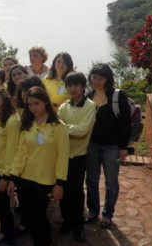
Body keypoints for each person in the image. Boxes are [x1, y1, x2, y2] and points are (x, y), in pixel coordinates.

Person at [7, 86, 69, 246]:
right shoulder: (27, 124)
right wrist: (13, 177)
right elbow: (21, 152)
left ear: (46, 103)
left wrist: (60, 184)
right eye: (30, 104)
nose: (33, 108)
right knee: (29, 214)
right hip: (25, 180)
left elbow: (63, 157)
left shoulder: (59, 127)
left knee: (39, 215)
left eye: (36, 103)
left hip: (46, 183)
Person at [85, 63, 131, 229]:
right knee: (91, 179)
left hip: (111, 146)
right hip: (92, 145)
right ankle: (93, 210)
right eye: (94, 77)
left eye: (101, 78)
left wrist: (123, 147)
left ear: (107, 79)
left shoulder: (117, 96)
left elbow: (126, 123)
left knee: (111, 182)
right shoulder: (88, 96)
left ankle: (108, 214)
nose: (96, 81)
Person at [57, 72, 96, 242]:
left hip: (79, 156)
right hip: (62, 156)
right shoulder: (63, 107)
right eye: (69, 85)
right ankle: (67, 221)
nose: (72, 88)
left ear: (83, 87)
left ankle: (78, 226)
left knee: (77, 192)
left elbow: (83, 131)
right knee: (62, 191)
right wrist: (70, 130)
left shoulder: (90, 106)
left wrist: (66, 129)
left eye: (76, 85)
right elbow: (59, 130)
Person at [0, 85, 20, 245]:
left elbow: (12, 151)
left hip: (5, 172)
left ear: (4, 97)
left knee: (6, 206)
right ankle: (5, 232)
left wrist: (6, 177)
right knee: (2, 204)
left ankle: (9, 236)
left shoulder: (12, 120)